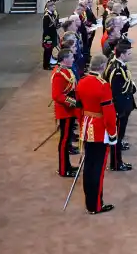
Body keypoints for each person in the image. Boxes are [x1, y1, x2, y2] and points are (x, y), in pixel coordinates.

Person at [75, 54, 118, 214]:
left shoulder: (82, 82)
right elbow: (109, 114)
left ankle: (90, 202)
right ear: (102, 67)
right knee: (98, 169)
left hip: (86, 126)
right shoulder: (103, 85)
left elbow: (78, 107)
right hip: (99, 129)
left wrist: (82, 124)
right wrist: (113, 134)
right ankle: (96, 205)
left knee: (89, 166)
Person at [105, 40, 136, 172]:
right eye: (129, 53)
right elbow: (116, 93)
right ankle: (116, 163)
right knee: (117, 136)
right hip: (120, 109)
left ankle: (117, 162)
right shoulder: (117, 71)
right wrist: (117, 111)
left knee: (119, 136)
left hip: (124, 107)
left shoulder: (120, 66)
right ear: (122, 55)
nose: (131, 55)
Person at [51, 49, 80, 178]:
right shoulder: (59, 74)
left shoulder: (65, 70)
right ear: (64, 59)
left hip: (69, 110)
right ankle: (63, 169)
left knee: (67, 140)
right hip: (65, 111)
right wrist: (73, 102)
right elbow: (57, 95)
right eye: (71, 57)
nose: (73, 59)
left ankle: (67, 166)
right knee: (64, 141)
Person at [42, 0, 59, 70]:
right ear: (49, 7)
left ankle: (48, 63)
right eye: (53, 6)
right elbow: (45, 28)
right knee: (47, 51)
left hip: (52, 35)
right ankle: (46, 65)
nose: (54, 7)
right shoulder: (47, 16)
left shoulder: (51, 14)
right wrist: (48, 38)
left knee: (50, 51)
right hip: (48, 37)